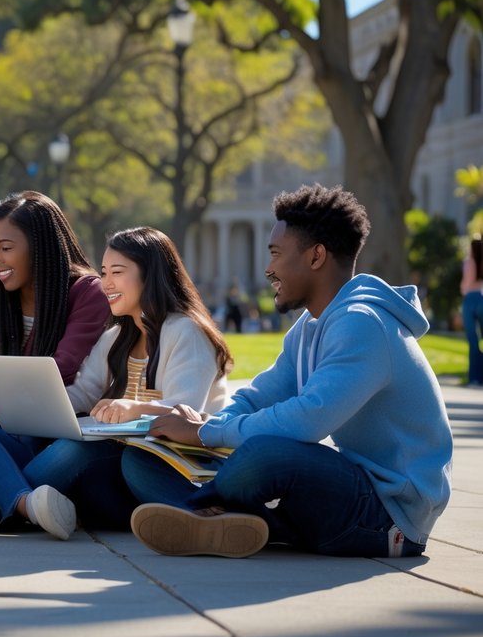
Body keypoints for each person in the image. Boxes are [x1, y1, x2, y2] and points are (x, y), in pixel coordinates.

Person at [125, 185, 453, 559]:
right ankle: (222, 520)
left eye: (276, 254)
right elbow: (258, 396)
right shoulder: (311, 325)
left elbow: (307, 420)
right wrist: (206, 425)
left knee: (267, 455)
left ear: (316, 257)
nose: (268, 269)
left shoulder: (363, 323)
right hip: (344, 496)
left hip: (390, 516)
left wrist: (204, 434)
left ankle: (196, 509)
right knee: (144, 457)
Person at [41, 227, 232, 529]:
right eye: (103, 273)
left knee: (106, 456)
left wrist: (133, 408)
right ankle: (18, 500)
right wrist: (41, 403)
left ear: (151, 274)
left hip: (180, 464)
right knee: (74, 455)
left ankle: (9, 502)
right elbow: (84, 393)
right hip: (126, 466)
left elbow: (186, 411)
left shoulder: (186, 331)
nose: (106, 283)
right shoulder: (115, 337)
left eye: (117, 272)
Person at [0, 191, 111, 540]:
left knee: (79, 447)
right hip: (13, 439)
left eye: (6, 248)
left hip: (64, 439)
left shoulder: (87, 293)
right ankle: (29, 506)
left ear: (39, 246)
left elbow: (61, 369)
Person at [461, 237, 483, 388]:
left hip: (469, 299)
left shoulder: (469, 262)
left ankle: (474, 379)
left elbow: (466, 284)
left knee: (473, 341)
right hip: (482, 298)